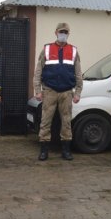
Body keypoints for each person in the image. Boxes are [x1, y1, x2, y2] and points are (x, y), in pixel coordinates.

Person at [33, 22, 83, 161]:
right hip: (49, 91)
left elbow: (78, 73)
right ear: (56, 32)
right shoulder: (47, 49)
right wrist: (37, 90)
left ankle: (66, 151)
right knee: (45, 122)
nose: (63, 34)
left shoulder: (73, 51)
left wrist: (78, 92)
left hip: (67, 92)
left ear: (68, 34)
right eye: (61, 32)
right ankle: (44, 151)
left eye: (65, 32)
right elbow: (38, 72)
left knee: (66, 122)